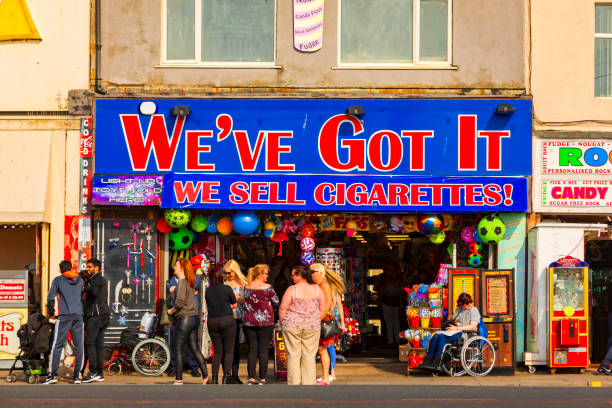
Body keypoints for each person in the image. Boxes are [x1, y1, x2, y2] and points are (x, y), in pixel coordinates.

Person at [279, 265, 325, 385]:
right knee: (309, 355)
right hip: (312, 326)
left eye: (293, 274)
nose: (291, 277)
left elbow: (283, 307)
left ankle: (294, 383)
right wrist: (316, 319)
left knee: (293, 355)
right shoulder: (316, 289)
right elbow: (323, 307)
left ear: (300, 276)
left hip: (292, 325)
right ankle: (308, 384)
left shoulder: (292, 289)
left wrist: (283, 322)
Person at [167, 258, 209, 385]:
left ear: (182, 268)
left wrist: (171, 311)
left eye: (176, 265)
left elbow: (179, 303)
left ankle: (179, 379)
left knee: (178, 349)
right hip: (194, 318)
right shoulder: (190, 281)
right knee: (195, 348)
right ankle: (206, 376)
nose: (174, 267)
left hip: (184, 318)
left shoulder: (181, 282)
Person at [44, 260, 85, 385]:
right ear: (71, 268)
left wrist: (51, 312)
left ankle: (52, 375)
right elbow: (82, 296)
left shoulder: (58, 280)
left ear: (60, 269)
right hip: (78, 316)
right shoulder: (80, 280)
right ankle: (77, 376)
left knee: (57, 345)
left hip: (64, 317)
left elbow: (50, 297)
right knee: (79, 347)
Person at [420, 292, 481, 371]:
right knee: (435, 336)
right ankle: (428, 361)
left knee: (442, 337)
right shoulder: (459, 309)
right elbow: (454, 321)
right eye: (466, 303)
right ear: (461, 303)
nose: (469, 304)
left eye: (470, 302)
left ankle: (437, 363)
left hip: (465, 334)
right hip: (455, 331)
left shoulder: (474, 310)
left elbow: (472, 327)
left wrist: (457, 328)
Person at [243, 264, 279, 385]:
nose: (267, 276)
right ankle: (262, 378)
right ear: (260, 275)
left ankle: (251, 377)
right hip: (266, 322)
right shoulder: (268, 288)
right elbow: (276, 302)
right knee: (263, 350)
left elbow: (243, 301)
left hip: (249, 321)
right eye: (266, 274)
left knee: (253, 350)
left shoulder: (246, 287)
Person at [166, 270, 202, 377]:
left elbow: (196, 288)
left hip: (189, 315)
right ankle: (174, 368)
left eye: (176, 266)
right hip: (176, 315)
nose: (173, 269)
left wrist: (177, 289)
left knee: (192, 345)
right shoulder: (173, 280)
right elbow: (171, 290)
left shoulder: (194, 278)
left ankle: (194, 368)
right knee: (175, 344)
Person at [205, 266, 238, 384]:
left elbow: (210, 305)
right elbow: (234, 304)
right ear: (221, 277)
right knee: (229, 350)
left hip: (213, 321)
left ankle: (214, 378)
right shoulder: (227, 288)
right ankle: (226, 377)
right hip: (227, 320)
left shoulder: (208, 291)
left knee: (218, 351)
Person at [81, 259, 110, 383]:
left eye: (90, 267)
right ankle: (99, 373)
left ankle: (93, 371)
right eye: (87, 267)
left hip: (96, 316)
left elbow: (94, 291)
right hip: (103, 315)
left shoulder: (95, 279)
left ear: (96, 268)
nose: (87, 269)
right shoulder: (99, 279)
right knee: (98, 345)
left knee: (90, 343)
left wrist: (86, 287)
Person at [222, 259, 248, 384]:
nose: (228, 275)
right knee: (225, 348)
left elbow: (245, 301)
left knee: (236, 348)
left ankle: (235, 375)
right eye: (226, 273)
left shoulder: (243, 284)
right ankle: (226, 375)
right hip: (225, 318)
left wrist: (235, 298)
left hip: (237, 319)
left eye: (230, 273)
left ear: (236, 271)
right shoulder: (223, 284)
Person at [310, 263, 335, 386]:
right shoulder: (317, 285)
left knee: (323, 349)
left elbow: (328, 304)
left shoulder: (324, 285)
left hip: (323, 320)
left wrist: (318, 319)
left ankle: (326, 376)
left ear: (320, 273)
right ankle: (324, 376)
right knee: (320, 349)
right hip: (318, 319)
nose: (311, 274)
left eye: (313, 271)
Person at [376, 266, 402, 345]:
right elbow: (400, 291)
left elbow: (379, 290)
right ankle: (397, 339)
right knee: (395, 322)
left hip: (386, 303)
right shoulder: (397, 278)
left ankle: (391, 340)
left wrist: (379, 302)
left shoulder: (383, 278)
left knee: (388, 322)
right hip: (395, 303)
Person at [597, 280, 612, 375]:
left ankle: (605, 364)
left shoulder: (609, 287)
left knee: (611, 338)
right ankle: (605, 363)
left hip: (611, 313)